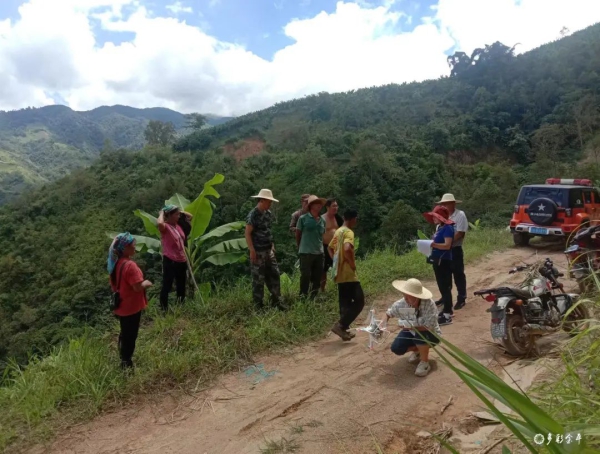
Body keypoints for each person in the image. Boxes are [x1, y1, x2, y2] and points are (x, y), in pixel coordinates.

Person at [108, 233, 153, 370]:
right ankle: (126, 364)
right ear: (125, 248)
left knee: (125, 332)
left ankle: (123, 354)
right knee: (131, 336)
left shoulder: (115, 263)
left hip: (122, 305)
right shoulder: (130, 266)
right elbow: (137, 287)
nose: (135, 247)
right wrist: (146, 283)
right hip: (131, 307)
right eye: (133, 245)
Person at [383, 278, 442, 377]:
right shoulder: (401, 303)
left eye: (409, 296)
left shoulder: (429, 304)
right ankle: (418, 350)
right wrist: (382, 323)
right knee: (396, 348)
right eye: (405, 295)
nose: (406, 298)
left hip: (430, 333)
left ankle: (424, 362)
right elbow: (388, 313)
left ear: (417, 296)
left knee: (420, 337)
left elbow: (429, 326)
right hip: (410, 331)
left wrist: (411, 327)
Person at [245, 189, 284, 310]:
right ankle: (258, 306)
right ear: (262, 200)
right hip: (258, 252)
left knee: (274, 275)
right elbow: (247, 233)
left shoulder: (268, 214)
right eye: (269, 202)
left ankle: (277, 301)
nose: (270, 204)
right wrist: (251, 250)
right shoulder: (253, 215)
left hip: (268, 250)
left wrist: (272, 245)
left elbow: (268, 230)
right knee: (258, 280)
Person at [328, 209, 363, 341]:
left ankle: (343, 330)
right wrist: (352, 264)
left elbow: (329, 248)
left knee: (345, 301)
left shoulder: (338, 231)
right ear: (353, 219)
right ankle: (340, 325)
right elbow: (347, 248)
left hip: (339, 272)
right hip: (348, 273)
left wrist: (335, 261)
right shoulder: (348, 232)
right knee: (359, 301)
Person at [423, 205, 455, 326]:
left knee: (445, 287)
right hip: (438, 260)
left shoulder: (448, 228)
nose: (434, 219)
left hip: (444, 260)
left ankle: (447, 314)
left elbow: (447, 245)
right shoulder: (440, 228)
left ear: (441, 217)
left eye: (436, 216)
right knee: (442, 286)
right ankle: (447, 309)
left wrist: (433, 245)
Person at [437, 194, 469, 310]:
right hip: (443, 250)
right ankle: (445, 297)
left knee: (458, 274)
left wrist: (448, 242)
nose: (444, 205)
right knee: (445, 275)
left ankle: (461, 298)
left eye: (447, 203)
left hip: (454, 249)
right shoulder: (442, 216)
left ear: (453, 204)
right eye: (443, 204)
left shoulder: (460, 215)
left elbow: (460, 233)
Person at [296, 195, 326, 299]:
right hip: (306, 252)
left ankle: (314, 296)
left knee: (317, 276)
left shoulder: (322, 220)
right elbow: (298, 234)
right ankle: (303, 296)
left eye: (320, 204)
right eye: (317, 203)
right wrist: (300, 247)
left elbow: (321, 236)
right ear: (311, 205)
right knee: (305, 275)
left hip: (319, 252)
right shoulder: (303, 219)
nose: (319, 205)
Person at [158, 205, 188, 312]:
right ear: (169, 215)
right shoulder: (165, 227)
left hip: (181, 260)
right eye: (176, 214)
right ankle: (164, 310)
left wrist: (178, 211)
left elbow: (190, 216)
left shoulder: (178, 226)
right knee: (167, 285)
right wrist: (162, 213)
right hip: (170, 260)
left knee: (181, 285)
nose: (179, 216)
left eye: (179, 214)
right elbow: (160, 223)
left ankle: (181, 307)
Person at [321, 198, 344, 292]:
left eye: (336, 206)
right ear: (327, 207)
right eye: (333, 206)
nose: (336, 208)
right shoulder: (322, 219)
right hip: (325, 247)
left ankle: (339, 287)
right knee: (323, 270)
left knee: (338, 267)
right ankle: (322, 289)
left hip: (336, 247)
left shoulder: (338, 218)